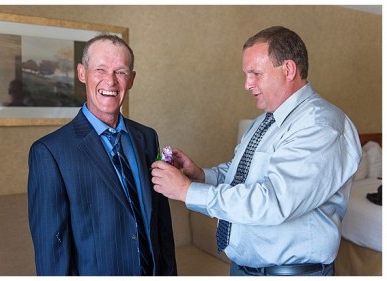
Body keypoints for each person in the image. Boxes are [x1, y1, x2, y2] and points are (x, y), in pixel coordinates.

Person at [151, 26, 361, 276]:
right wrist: (200, 175)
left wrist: (187, 191)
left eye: (255, 73)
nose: (246, 84)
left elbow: (274, 201)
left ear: (288, 69)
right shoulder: (263, 121)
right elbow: (243, 174)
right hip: (244, 269)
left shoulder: (320, 126)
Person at [27, 34, 177, 276]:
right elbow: (51, 251)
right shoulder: (49, 152)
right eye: (100, 69)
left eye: (121, 72)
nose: (110, 81)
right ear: (82, 73)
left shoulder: (147, 138)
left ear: (132, 79)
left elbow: (161, 225)